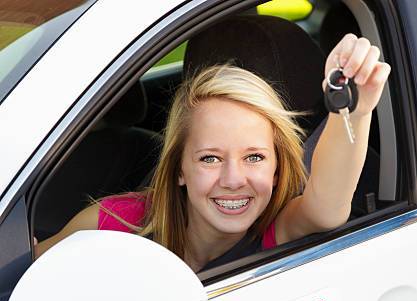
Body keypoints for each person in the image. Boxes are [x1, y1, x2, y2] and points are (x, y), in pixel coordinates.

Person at [35, 34, 391, 272]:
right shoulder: (116, 223)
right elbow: (23, 275)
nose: (234, 180)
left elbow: (327, 208)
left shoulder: (276, 230)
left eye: (254, 157)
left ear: (277, 170)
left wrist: (354, 112)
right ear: (178, 169)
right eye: (210, 158)